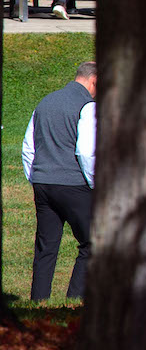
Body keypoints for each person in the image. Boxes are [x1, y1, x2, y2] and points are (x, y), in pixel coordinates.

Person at [24, 60, 96, 300]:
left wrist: (36, 178)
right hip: (74, 185)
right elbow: (86, 152)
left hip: (43, 184)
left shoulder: (45, 102)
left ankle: (38, 301)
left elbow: (28, 148)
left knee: (46, 248)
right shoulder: (88, 106)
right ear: (94, 81)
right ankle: (74, 301)